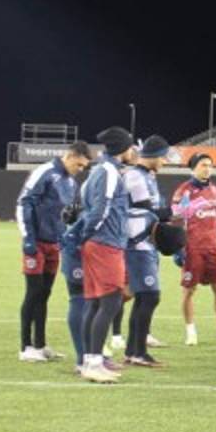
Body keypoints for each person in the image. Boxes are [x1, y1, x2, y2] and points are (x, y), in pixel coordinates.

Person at [16, 141, 91, 363]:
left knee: (45, 293)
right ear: (69, 156)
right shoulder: (45, 172)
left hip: (54, 244)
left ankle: (40, 344)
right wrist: (28, 238)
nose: (80, 170)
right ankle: (25, 346)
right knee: (33, 293)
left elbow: (70, 214)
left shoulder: (71, 182)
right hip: (36, 242)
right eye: (79, 164)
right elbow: (24, 203)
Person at [76, 126, 138, 383]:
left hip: (98, 243)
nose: (133, 150)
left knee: (95, 303)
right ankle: (92, 363)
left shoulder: (95, 172)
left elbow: (83, 203)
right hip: (105, 244)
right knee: (111, 301)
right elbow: (100, 210)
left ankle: (90, 361)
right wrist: (88, 233)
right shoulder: (109, 172)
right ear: (122, 148)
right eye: (131, 145)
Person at [173, 153, 216, 346]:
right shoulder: (183, 192)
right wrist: (179, 249)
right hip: (192, 249)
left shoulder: (215, 191)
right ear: (193, 168)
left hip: (213, 248)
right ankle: (191, 333)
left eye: (210, 165)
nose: (208, 169)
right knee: (189, 291)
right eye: (203, 165)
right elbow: (177, 220)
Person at [122, 135, 173, 366]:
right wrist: (179, 210)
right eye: (163, 156)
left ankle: (133, 351)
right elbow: (147, 210)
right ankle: (137, 352)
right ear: (152, 156)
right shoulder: (134, 176)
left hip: (146, 244)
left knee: (144, 296)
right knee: (150, 296)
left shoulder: (147, 176)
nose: (165, 161)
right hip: (137, 245)